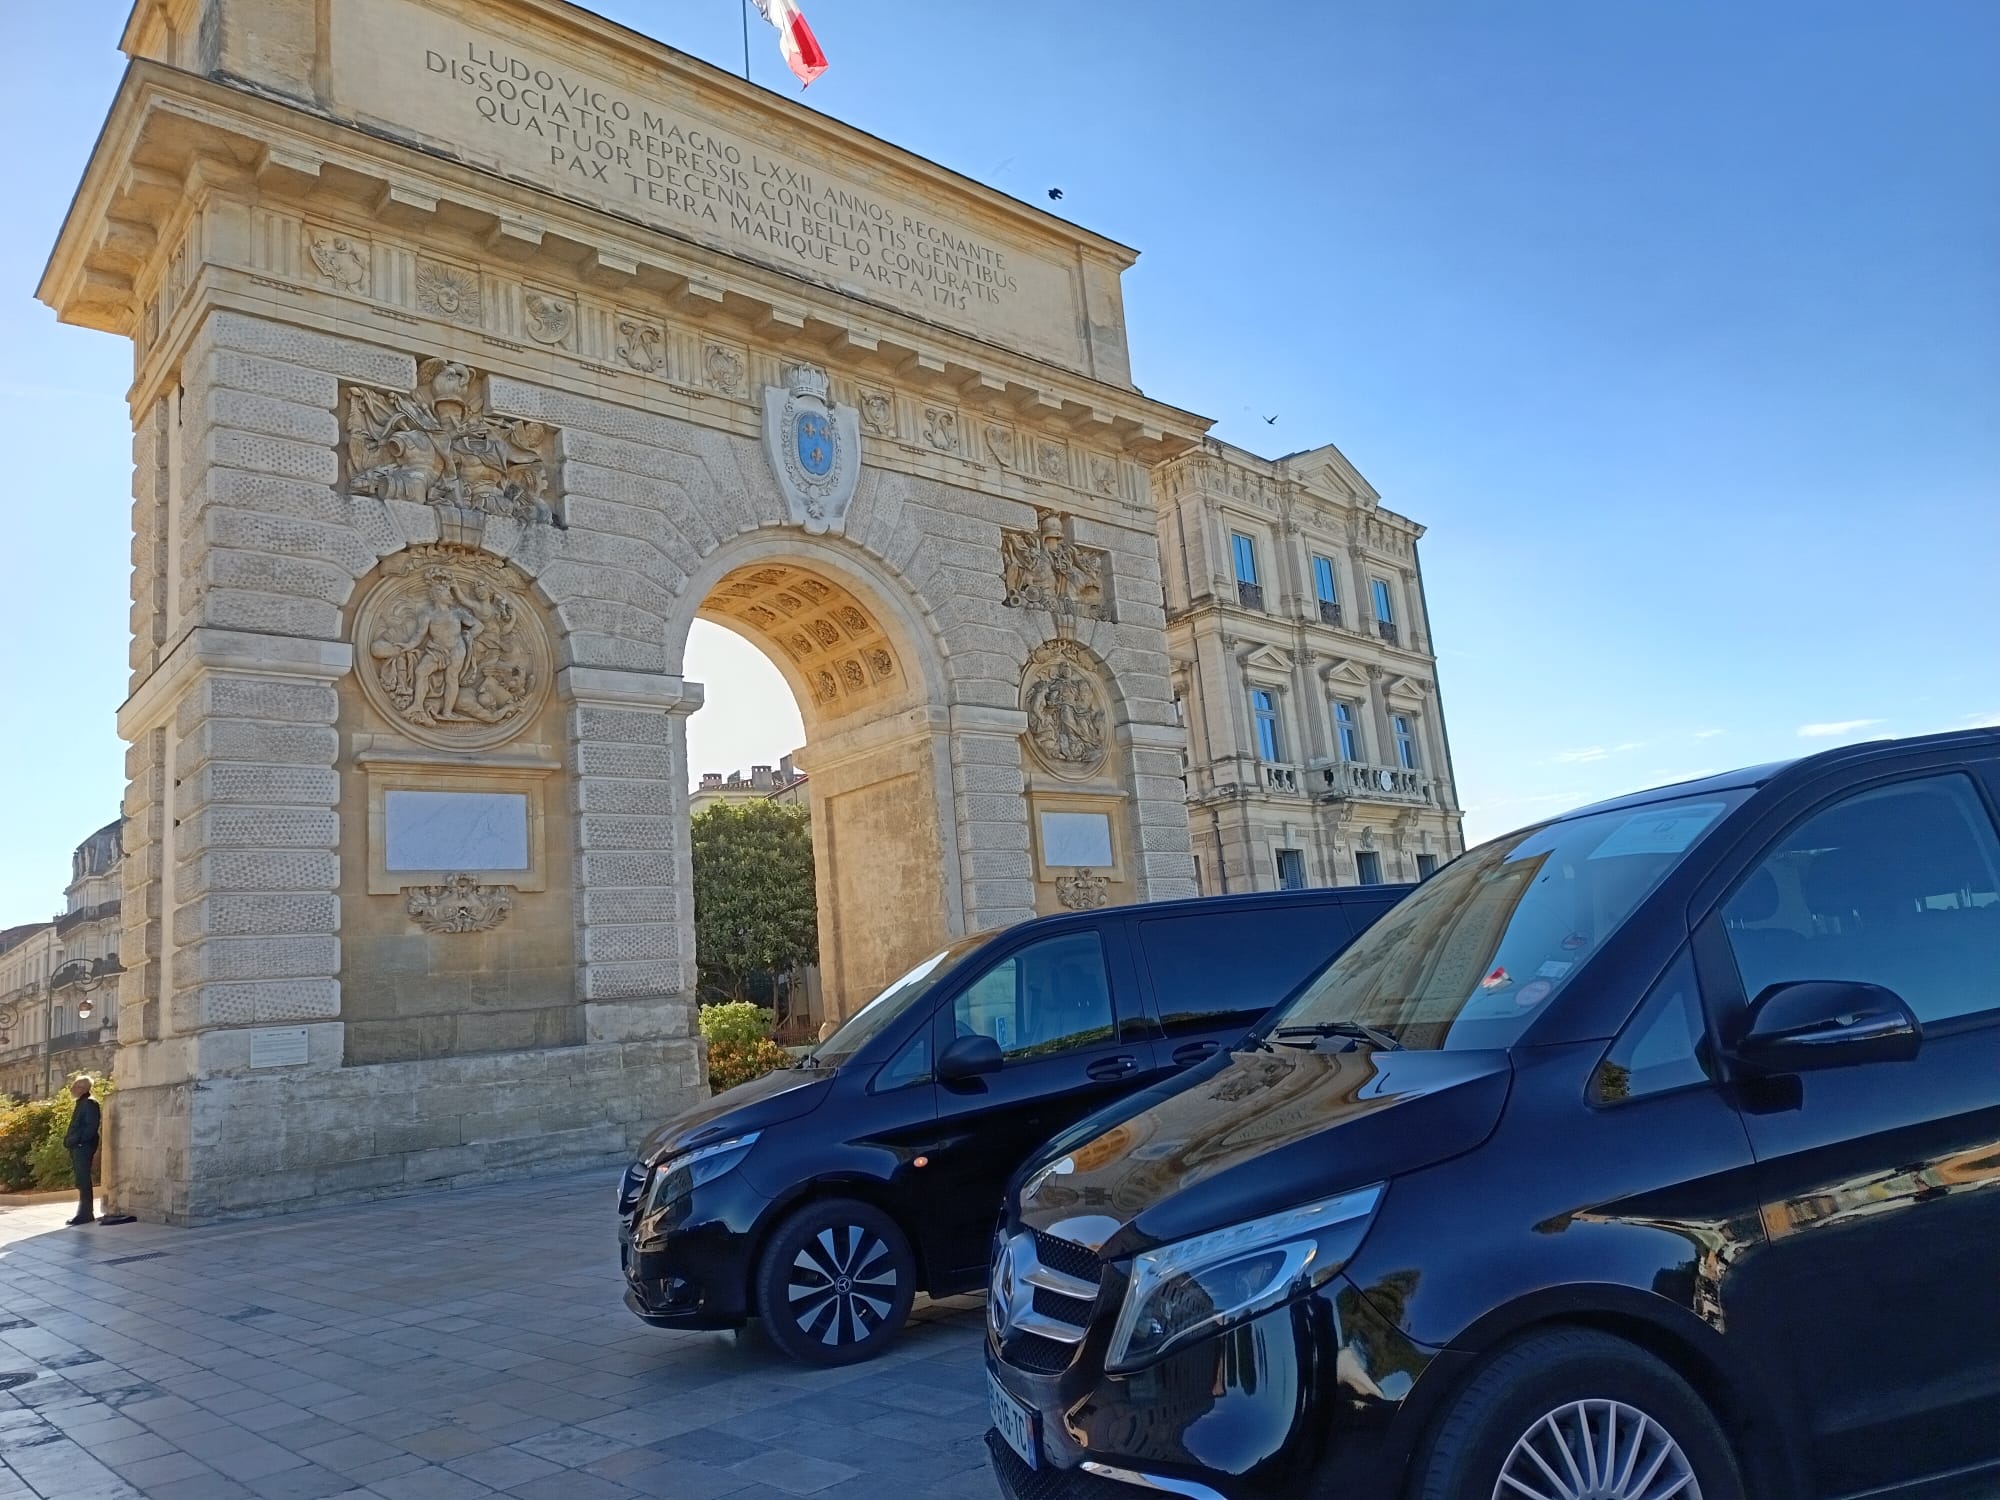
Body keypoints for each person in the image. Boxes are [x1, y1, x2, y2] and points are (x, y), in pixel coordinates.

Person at [63, 1077, 101, 1227]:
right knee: (81, 1180)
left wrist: (78, 1141)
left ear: (85, 1088)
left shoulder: (90, 1103)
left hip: (83, 1147)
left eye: (79, 1086)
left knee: (84, 1180)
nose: (74, 1089)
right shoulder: (82, 1102)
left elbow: (91, 1127)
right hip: (78, 1146)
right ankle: (83, 1213)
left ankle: (85, 1214)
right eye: (75, 1086)